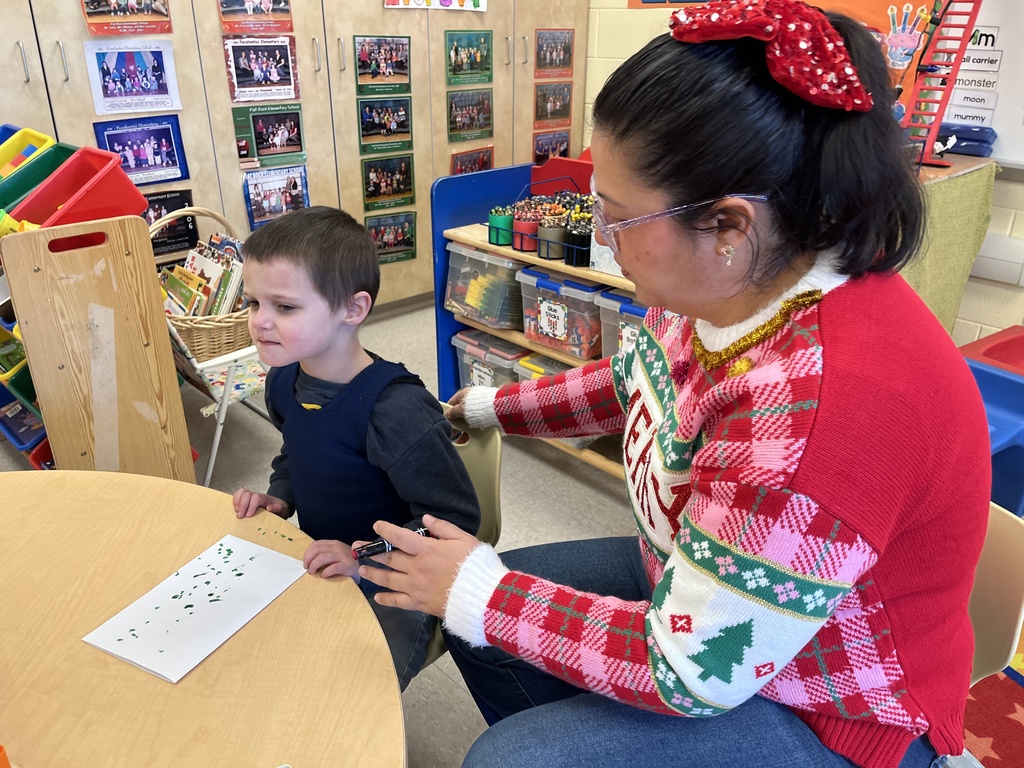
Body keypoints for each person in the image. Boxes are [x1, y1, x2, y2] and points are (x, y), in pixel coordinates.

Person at [357, 1, 992, 766]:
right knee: (488, 632)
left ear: (728, 225)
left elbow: (688, 669)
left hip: (826, 701)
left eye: (617, 217)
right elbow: (637, 381)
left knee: (510, 747)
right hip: (702, 583)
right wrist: (488, 404)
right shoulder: (733, 288)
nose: (599, 235)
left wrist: (479, 592)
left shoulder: (823, 411)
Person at [233, 206, 481, 691]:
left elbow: (455, 521)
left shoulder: (396, 411)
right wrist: (280, 495)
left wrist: (363, 557)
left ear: (353, 309)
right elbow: (296, 452)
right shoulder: (285, 379)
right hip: (321, 558)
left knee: (352, 694)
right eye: (252, 303)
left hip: (398, 582)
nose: (260, 322)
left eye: (284, 307)